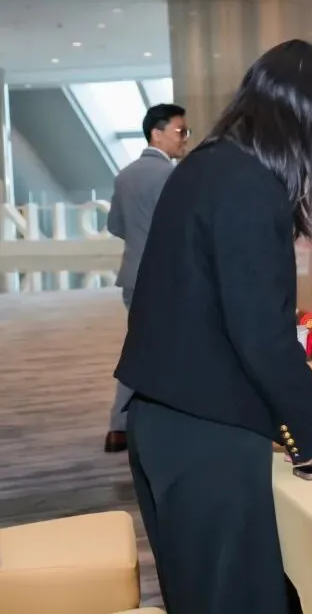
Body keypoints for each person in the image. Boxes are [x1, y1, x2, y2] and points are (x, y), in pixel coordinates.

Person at [113, 40, 312, 614]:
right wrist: (311, 426)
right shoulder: (249, 184)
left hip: (164, 419)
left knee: (199, 594)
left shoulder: (207, 164)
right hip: (205, 436)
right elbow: (260, 331)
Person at [103, 103, 189, 453]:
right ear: (157, 133)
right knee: (165, 349)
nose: (185, 138)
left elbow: (114, 226)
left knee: (142, 346)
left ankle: (121, 426)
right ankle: (141, 425)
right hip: (164, 279)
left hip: (132, 276)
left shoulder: (124, 175)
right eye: (181, 131)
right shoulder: (171, 176)